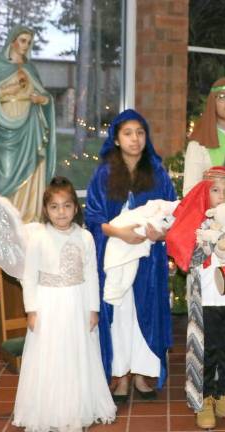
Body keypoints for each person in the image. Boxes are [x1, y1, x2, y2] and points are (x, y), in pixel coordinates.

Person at [85, 109, 176, 402]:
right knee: (120, 314)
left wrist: (159, 233)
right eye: (128, 133)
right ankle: (120, 376)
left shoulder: (158, 172)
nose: (135, 139)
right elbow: (93, 216)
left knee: (143, 315)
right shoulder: (104, 174)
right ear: (116, 139)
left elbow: (173, 213)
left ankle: (142, 376)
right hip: (115, 255)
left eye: (140, 132)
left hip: (149, 259)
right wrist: (119, 233)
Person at [13, 176, 117, 430]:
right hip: (49, 304)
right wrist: (31, 310)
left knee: (76, 352)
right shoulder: (38, 237)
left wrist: (93, 308)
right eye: (55, 206)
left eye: (67, 205)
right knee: (52, 355)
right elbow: (29, 276)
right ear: (46, 210)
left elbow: (92, 274)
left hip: (78, 302)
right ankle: (51, 409)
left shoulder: (85, 237)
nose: (61, 212)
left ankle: (78, 405)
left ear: (75, 207)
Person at [167, 166, 225, 429]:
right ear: (205, 195)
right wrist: (212, 243)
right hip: (207, 299)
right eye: (216, 190)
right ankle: (204, 398)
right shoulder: (198, 226)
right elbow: (188, 260)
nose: (222, 195)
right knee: (208, 350)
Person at [0, 25, 56, 223]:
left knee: (34, 168)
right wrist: (4, 92)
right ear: (12, 41)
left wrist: (43, 100)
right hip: (5, 126)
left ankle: (31, 217)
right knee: (6, 172)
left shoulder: (30, 67)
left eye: (29, 42)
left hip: (30, 124)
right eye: (23, 40)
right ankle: (7, 221)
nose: (26, 45)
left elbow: (45, 96)